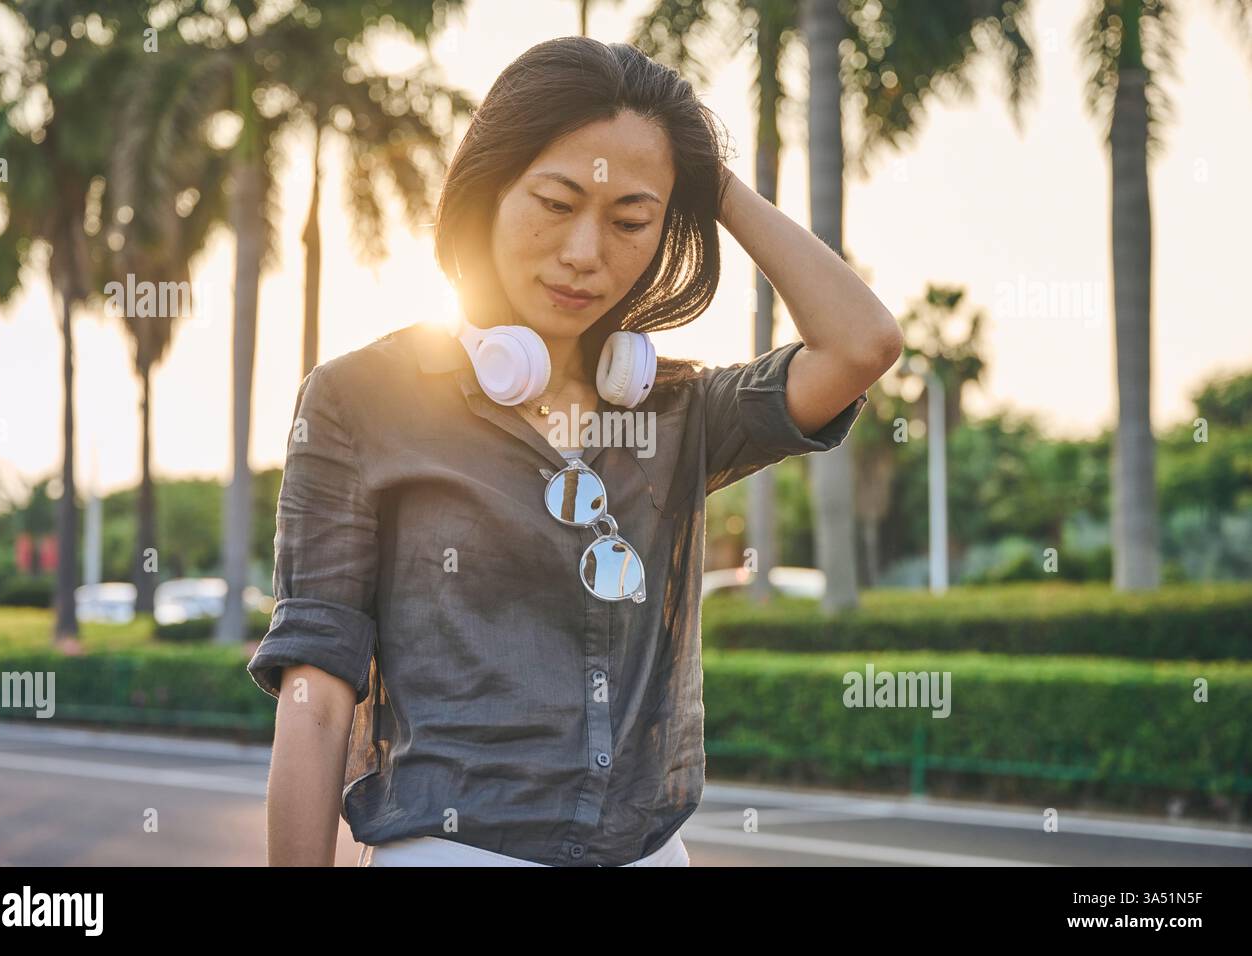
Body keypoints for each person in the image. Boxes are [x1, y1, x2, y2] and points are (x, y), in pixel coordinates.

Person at [246, 36, 901, 867]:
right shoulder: (359, 400)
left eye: (631, 218)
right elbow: (316, 696)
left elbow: (863, 344)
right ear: (487, 192)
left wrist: (709, 178)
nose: (586, 254)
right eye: (556, 204)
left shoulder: (676, 410)